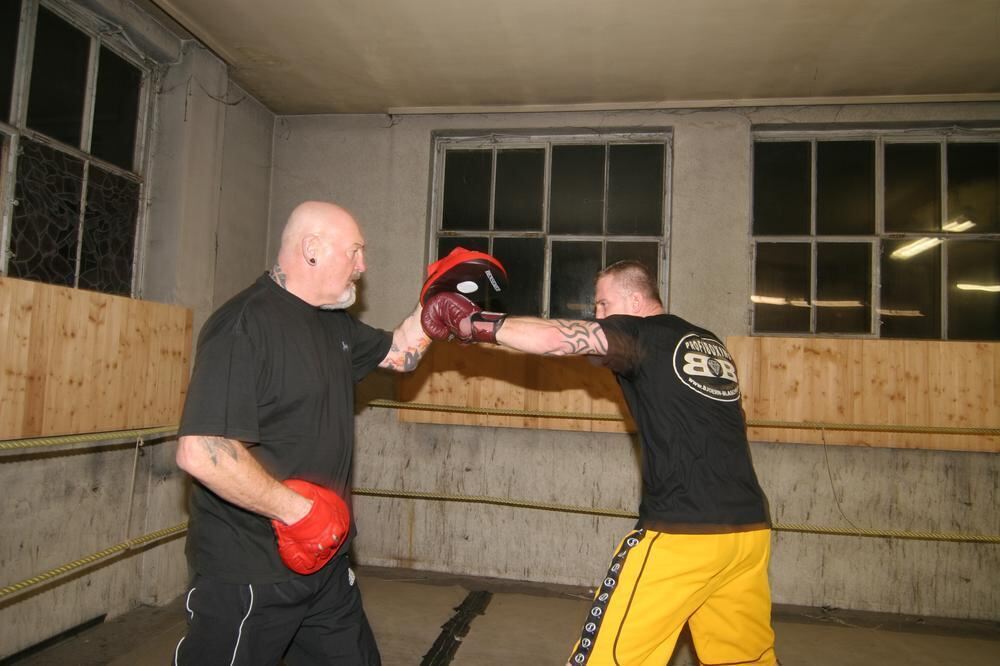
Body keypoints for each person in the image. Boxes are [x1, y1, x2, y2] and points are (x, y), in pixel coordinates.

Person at [422, 260, 777, 666]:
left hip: (685, 532)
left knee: (609, 658)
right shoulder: (706, 341)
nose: (598, 315)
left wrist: (473, 323)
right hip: (749, 532)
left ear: (635, 299)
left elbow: (559, 339)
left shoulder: (642, 334)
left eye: (604, 304)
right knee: (745, 659)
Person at [174, 201, 431, 665]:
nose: (363, 266)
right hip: (250, 571)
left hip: (325, 565)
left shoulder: (333, 323)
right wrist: (301, 514)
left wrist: (435, 308)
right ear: (311, 250)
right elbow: (202, 452)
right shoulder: (243, 324)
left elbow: (398, 353)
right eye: (354, 252)